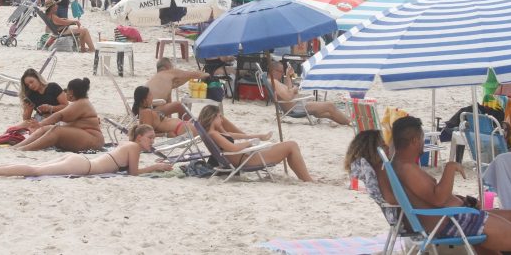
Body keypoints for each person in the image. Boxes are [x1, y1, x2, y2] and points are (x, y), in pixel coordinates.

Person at [391, 116, 511, 254]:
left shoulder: (400, 165)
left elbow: (431, 197)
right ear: (414, 141)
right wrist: (450, 167)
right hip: (452, 221)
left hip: (453, 217)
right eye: (421, 140)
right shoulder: (408, 169)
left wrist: (463, 201)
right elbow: (438, 198)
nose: (422, 145)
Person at [0, 124, 172, 178]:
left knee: (35, 167)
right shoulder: (135, 148)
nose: (152, 142)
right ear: (139, 138)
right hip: (82, 166)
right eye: (150, 138)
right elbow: (134, 173)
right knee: (35, 170)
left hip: (79, 161)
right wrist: (156, 166)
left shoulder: (126, 144)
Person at [198, 105, 312, 182]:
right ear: (212, 117)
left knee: (290, 147)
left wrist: (258, 136)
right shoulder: (214, 134)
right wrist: (249, 143)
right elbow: (233, 148)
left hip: (246, 157)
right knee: (291, 145)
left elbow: (232, 135)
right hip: (248, 160)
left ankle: (305, 178)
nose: (222, 120)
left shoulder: (214, 133)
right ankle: (308, 180)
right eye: (219, 117)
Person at [131, 86, 268, 139]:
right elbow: (146, 133)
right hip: (181, 129)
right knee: (215, 132)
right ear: (144, 99)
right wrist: (166, 134)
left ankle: (247, 136)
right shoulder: (147, 113)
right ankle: (253, 137)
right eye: (150, 95)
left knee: (219, 119)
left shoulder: (147, 111)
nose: (152, 97)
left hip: (183, 125)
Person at [13, 78, 104, 152]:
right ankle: (18, 146)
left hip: (93, 139)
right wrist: (42, 125)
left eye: (66, 90)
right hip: (84, 135)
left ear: (71, 92)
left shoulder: (82, 103)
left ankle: (25, 149)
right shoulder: (80, 102)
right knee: (45, 129)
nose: (65, 92)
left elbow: (59, 116)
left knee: (56, 130)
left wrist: (40, 123)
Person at [266, 62, 350, 125]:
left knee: (327, 113)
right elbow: (288, 97)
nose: (282, 74)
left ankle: (347, 121)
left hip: (295, 106)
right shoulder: (274, 82)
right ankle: (350, 122)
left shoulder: (274, 82)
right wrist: (294, 89)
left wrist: (288, 76)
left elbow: (288, 91)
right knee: (330, 105)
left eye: (282, 71)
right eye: (280, 71)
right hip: (296, 108)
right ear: (273, 71)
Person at [344, 130, 398, 222]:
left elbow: (355, 185)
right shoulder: (380, 170)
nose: (387, 147)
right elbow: (391, 199)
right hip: (398, 216)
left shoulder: (362, 167)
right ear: (372, 149)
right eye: (383, 145)